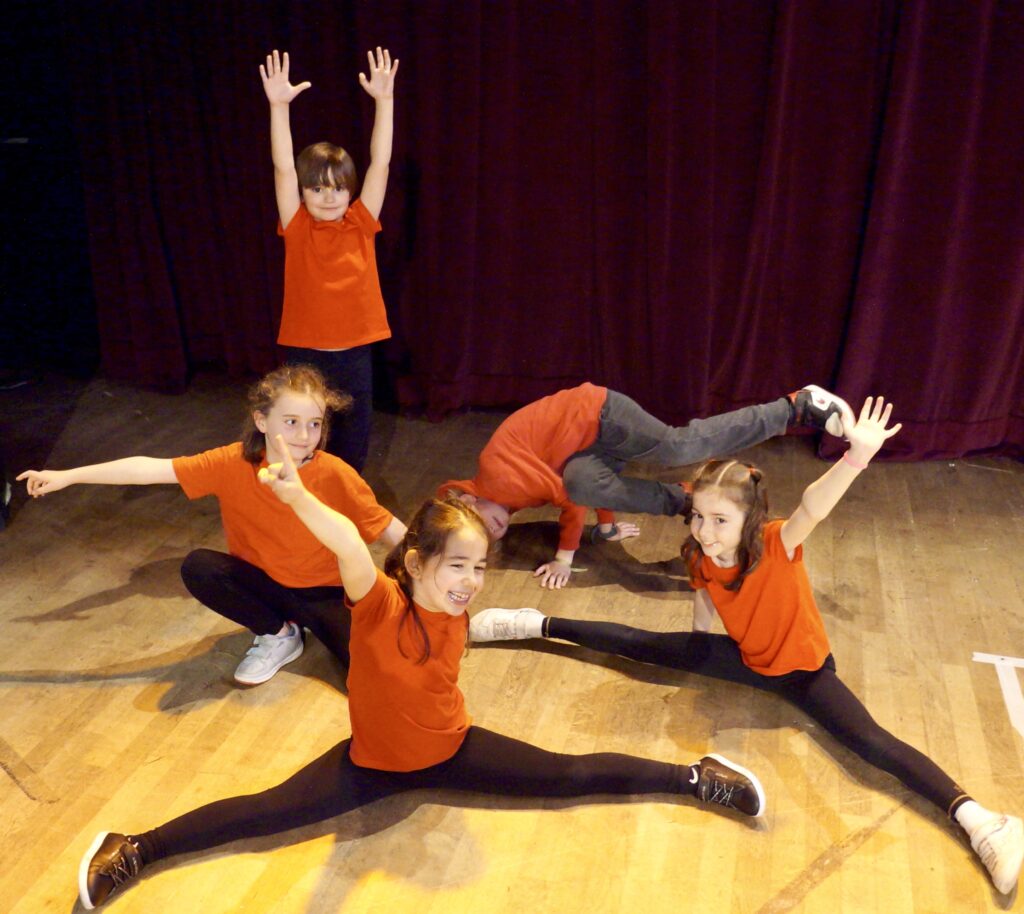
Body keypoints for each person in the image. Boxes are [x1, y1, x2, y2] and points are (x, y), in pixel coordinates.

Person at [77, 438, 767, 909]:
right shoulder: (377, 604)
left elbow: (481, 630)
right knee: (262, 813)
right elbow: (349, 541)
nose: (471, 580)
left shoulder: (457, 613)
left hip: (453, 749)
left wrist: (535, 620)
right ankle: (135, 848)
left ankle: (698, 778)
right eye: (457, 565)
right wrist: (295, 497)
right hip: (370, 765)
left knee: (570, 777)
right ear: (413, 563)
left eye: (478, 567)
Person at [471, 396, 1023, 895]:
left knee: (868, 743)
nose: (706, 531)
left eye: (719, 520)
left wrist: (855, 458)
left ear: (748, 519)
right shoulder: (699, 553)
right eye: (699, 518)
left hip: (801, 672)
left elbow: (814, 507)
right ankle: (533, 624)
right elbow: (706, 597)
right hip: (744, 658)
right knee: (641, 646)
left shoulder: (775, 542)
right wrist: (698, 645)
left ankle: (982, 820)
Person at [18, 364, 405, 686]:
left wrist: (432, 576)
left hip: (326, 593)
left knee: (376, 677)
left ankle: (309, 627)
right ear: (261, 420)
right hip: (266, 585)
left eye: (314, 424)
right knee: (200, 567)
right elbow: (150, 469)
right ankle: (279, 634)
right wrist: (68, 475)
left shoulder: (335, 473)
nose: (305, 436)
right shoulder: (230, 463)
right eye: (291, 422)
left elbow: (387, 529)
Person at [441, 382, 852, 589]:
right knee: (583, 480)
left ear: (466, 498)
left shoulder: (494, 477)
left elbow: (565, 499)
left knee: (678, 446)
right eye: (489, 537)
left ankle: (796, 405)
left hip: (597, 414)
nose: (491, 531)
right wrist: (606, 528)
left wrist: (565, 557)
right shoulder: (505, 499)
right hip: (584, 445)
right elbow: (577, 485)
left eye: (477, 523)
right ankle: (686, 501)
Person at [259, 47, 399, 472]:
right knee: (300, 439)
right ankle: (299, 503)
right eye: (317, 188)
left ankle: (345, 504)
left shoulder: (360, 221)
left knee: (352, 438)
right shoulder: (298, 225)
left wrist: (384, 101)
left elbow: (382, 162)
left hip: (354, 352)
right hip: (305, 352)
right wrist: (278, 107)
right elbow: (283, 167)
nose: (328, 197)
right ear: (304, 193)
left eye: (337, 188)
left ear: (350, 191)